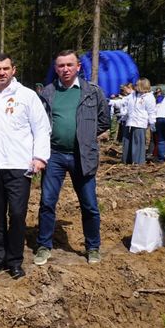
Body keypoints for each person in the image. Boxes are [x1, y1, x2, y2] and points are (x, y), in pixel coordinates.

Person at [0, 53, 50, 279]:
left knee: (17, 214)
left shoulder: (27, 96)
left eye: (5, 68)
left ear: (13, 70)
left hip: (19, 165)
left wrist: (39, 157)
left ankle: (15, 260)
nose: (1, 73)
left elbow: (41, 128)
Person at [35, 50, 109, 266]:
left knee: (89, 204)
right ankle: (43, 246)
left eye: (69, 65)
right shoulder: (47, 93)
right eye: (60, 66)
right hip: (54, 156)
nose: (65, 69)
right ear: (55, 68)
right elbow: (40, 123)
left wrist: (85, 137)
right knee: (47, 202)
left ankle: (93, 247)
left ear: (78, 67)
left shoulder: (92, 92)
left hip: (82, 156)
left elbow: (104, 122)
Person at [120, 77, 156, 164]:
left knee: (138, 142)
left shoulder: (149, 97)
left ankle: (138, 162)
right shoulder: (133, 95)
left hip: (140, 123)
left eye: (137, 85)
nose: (135, 86)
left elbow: (151, 112)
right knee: (127, 142)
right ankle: (127, 160)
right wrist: (110, 102)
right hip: (130, 122)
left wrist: (152, 124)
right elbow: (123, 101)